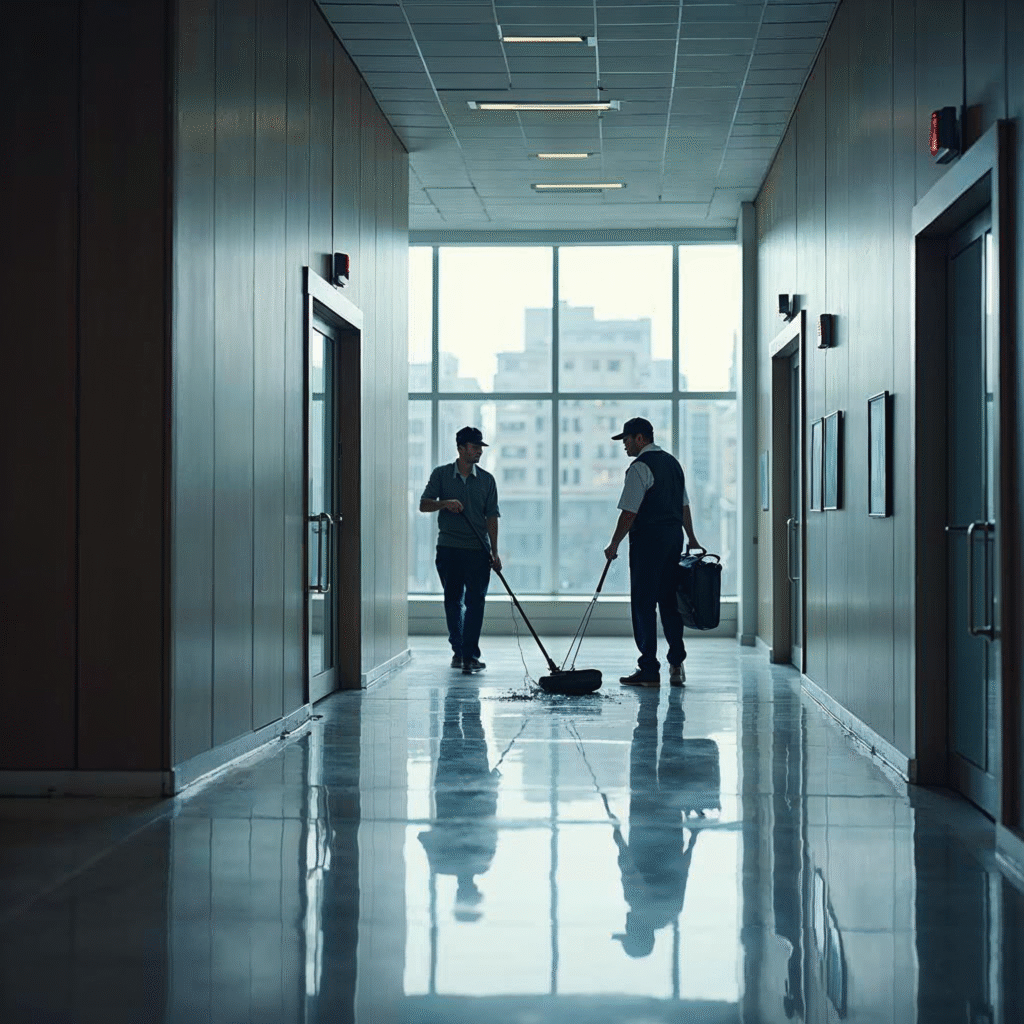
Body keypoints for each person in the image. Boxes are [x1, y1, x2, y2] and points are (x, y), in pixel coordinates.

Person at [603, 417, 700, 687]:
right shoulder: (673, 464)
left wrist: (614, 544)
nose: (624, 446)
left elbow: (630, 512)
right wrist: (691, 537)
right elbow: (684, 506)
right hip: (673, 540)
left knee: (644, 603)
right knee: (669, 602)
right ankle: (676, 665)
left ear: (641, 439)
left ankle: (648, 669)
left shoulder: (639, 467)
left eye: (626, 440)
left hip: (647, 542)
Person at [419, 426, 501, 674]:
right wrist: (445, 503)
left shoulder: (487, 480)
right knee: (453, 602)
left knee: (476, 602)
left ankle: (469, 655)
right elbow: (424, 505)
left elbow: (492, 517)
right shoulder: (441, 475)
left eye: (480, 448)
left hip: (478, 551)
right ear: (461, 448)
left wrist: (494, 551)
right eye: (474, 447)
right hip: (449, 549)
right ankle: (460, 653)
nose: (479, 452)